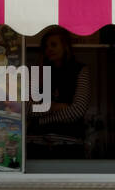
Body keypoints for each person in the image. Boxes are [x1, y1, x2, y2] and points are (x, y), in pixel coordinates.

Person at [28, 27, 91, 158]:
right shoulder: (38, 72)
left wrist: (41, 119)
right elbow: (27, 109)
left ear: (65, 46)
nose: (49, 49)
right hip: (35, 145)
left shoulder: (80, 70)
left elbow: (77, 111)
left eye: (54, 45)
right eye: (46, 47)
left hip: (68, 146)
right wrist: (55, 107)